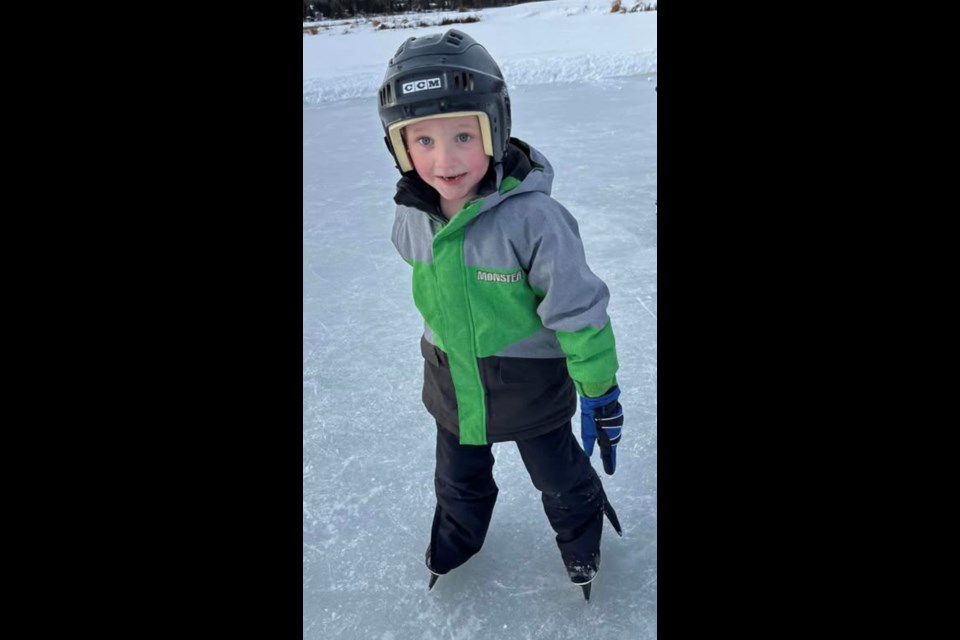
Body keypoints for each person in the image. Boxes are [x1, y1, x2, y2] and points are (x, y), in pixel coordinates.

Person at [377, 29, 624, 601]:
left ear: (496, 126)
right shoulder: (412, 215)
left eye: (464, 134)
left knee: (562, 479)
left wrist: (600, 391)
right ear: (399, 146)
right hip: (451, 388)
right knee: (457, 484)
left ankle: (582, 538)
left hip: (529, 389)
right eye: (423, 141)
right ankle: (455, 546)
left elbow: (579, 309)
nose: (445, 160)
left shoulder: (535, 219)